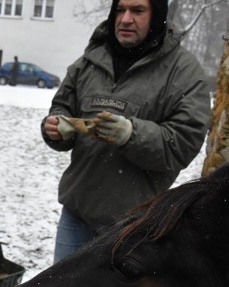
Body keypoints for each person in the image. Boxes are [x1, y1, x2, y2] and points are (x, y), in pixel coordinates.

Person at [41, 0, 209, 265]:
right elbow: (62, 105)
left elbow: (183, 144)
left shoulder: (184, 72)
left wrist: (131, 134)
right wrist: (55, 128)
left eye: (138, 10)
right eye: (120, 10)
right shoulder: (91, 60)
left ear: (157, 17)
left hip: (133, 227)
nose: (126, 19)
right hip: (76, 214)